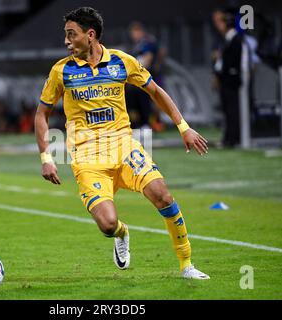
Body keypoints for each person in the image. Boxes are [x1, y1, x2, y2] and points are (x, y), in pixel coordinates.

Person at [34, 7, 210, 279]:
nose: (66, 41)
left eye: (72, 35)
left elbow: (155, 91)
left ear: (90, 35)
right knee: (107, 224)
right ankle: (121, 233)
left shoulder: (121, 62)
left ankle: (186, 264)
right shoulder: (62, 71)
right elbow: (41, 114)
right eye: (66, 35)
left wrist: (183, 127)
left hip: (124, 147)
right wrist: (46, 158)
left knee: (163, 195)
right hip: (87, 158)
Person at [213, 9, 248, 148]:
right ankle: (229, 138)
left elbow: (233, 62)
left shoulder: (236, 39)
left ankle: (233, 139)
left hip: (231, 80)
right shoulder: (229, 39)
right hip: (226, 79)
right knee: (228, 110)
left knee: (232, 111)